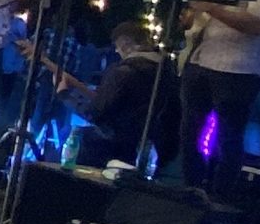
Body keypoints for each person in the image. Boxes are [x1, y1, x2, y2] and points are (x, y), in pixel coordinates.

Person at [178, 0, 260, 198]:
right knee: (189, 131)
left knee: (228, 137)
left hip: (238, 68)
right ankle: (190, 190)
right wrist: (192, 17)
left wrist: (210, 8)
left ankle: (219, 196)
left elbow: (257, 25)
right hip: (200, 59)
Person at [28, 21, 172, 170]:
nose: (117, 51)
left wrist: (64, 94)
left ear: (125, 44)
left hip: (108, 146)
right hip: (143, 149)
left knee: (56, 158)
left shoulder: (123, 72)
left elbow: (95, 113)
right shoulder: (163, 72)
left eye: (117, 47)